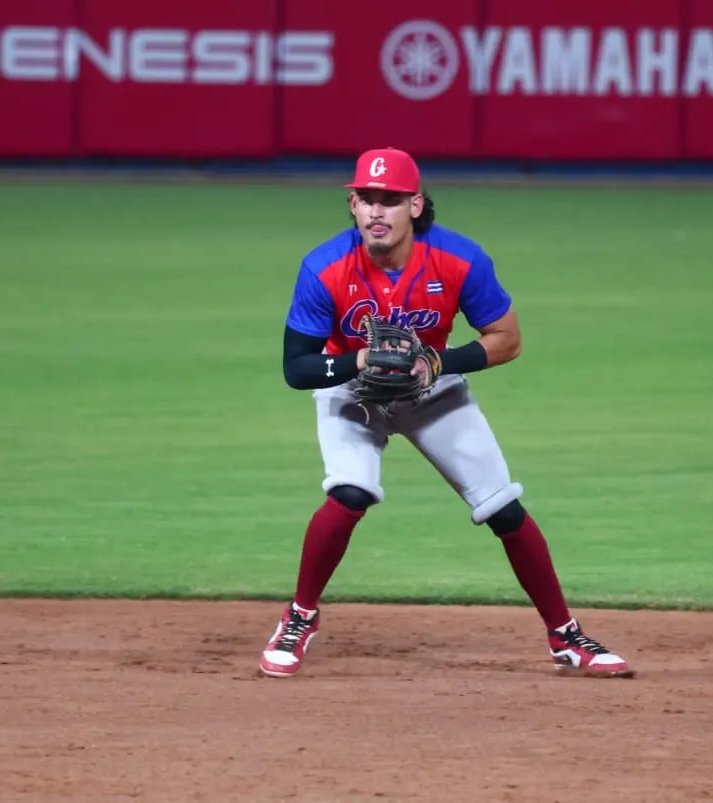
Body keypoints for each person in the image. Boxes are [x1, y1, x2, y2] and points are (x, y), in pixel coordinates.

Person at [260, 147, 634, 679]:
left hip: (431, 389)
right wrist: (359, 358)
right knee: (350, 491)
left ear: (415, 205)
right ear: (351, 203)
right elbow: (296, 369)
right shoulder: (323, 267)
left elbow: (507, 340)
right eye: (365, 198)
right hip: (351, 391)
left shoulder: (460, 260)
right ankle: (299, 617)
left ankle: (565, 635)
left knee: (503, 507)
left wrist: (439, 361)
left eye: (389, 200)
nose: (375, 211)